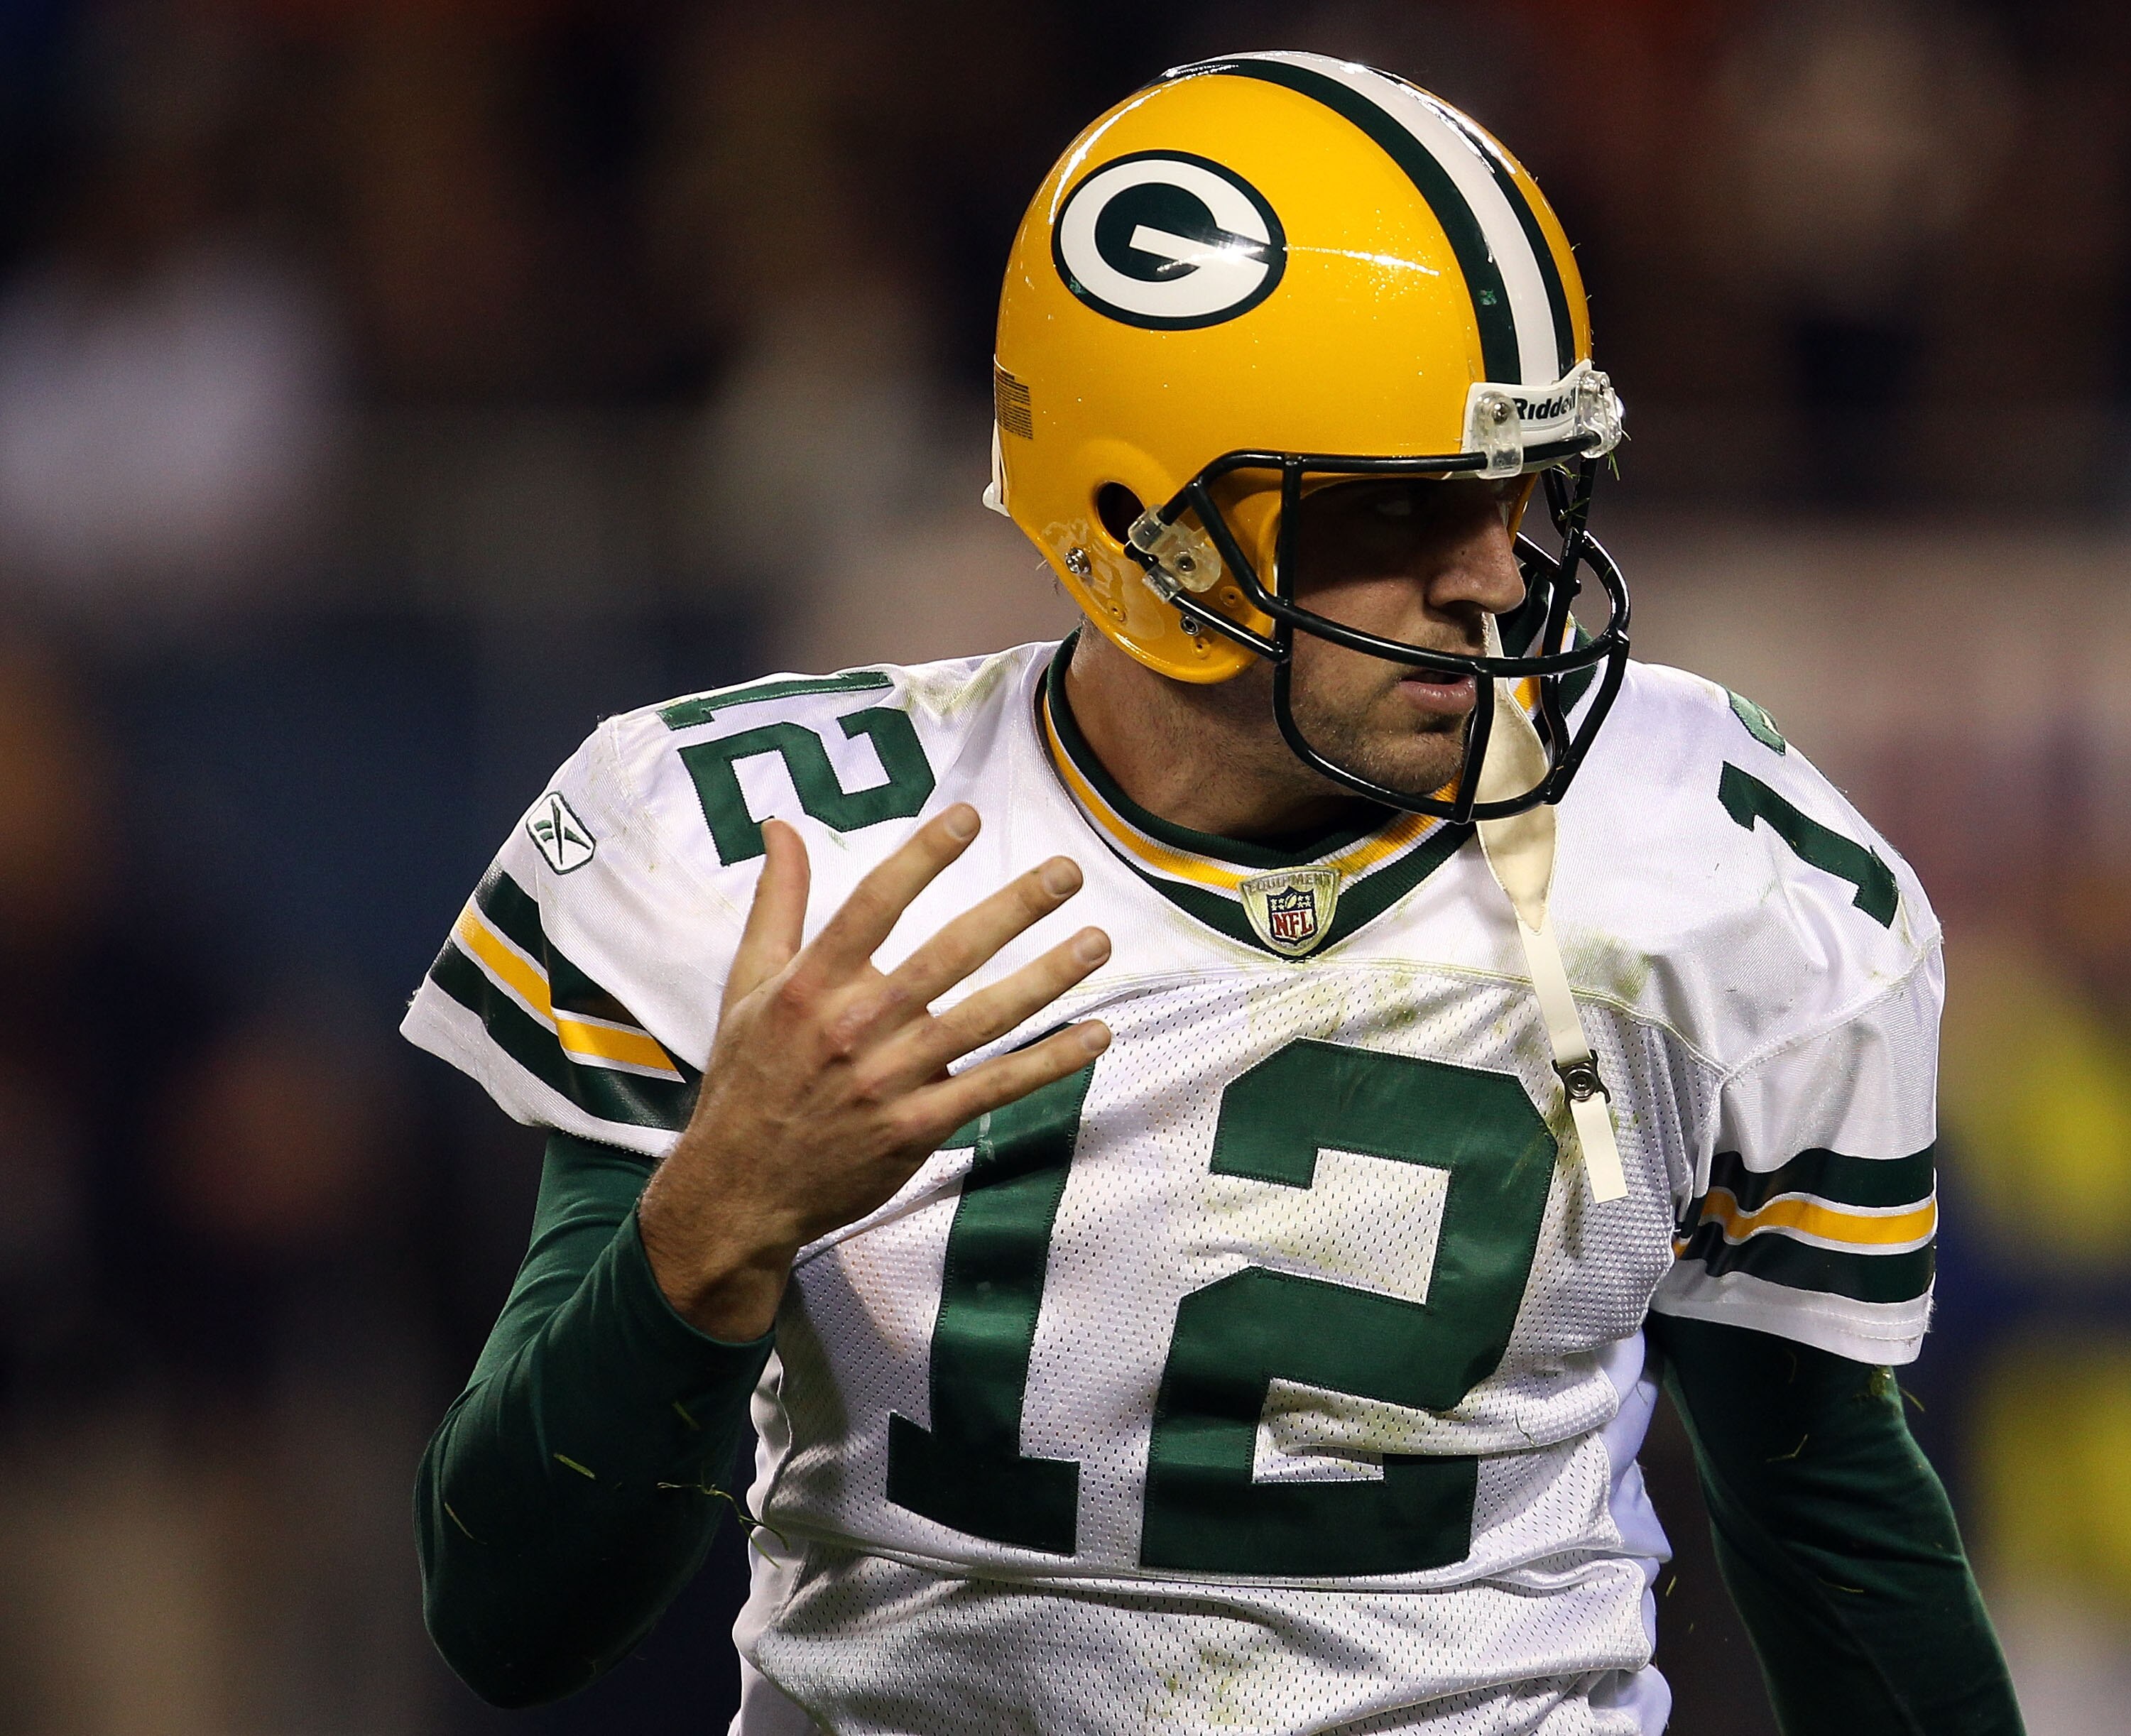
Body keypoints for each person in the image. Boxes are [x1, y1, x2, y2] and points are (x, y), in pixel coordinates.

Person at [408, 51, 2021, 1736]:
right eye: (1406, 504)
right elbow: (513, 1610)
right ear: (1144, 529)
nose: (1491, 576)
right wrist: (717, 1217)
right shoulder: (774, 857)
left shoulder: (1702, 858)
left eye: (1524, 487)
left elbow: (1832, 1510)